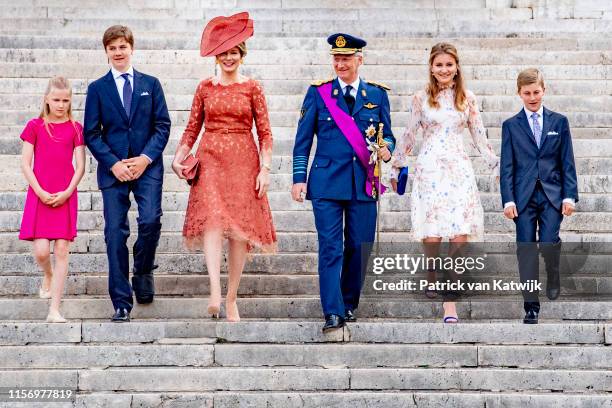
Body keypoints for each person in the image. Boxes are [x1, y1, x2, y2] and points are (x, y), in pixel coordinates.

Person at [172, 12, 277, 322]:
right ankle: (215, 291)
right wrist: (178, 157)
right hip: (211, 161)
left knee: (240, 232)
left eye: (234, 52)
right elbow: (192, 128)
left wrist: (265, 168)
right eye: (223, 53)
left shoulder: (252, 87)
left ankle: (232, 297)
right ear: (216, 56)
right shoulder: (204, 87)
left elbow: (266, 132)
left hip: (244, 161)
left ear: (241, 54)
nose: (229, 57)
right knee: (214, 222)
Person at [291, 33, 395, 332]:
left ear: (359, 59)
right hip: (326, 182)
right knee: (330, 247)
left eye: (346, 58)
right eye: (336, 58)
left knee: (360, 246)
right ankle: (332, 311)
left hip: (363, 181)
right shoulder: (319, 93)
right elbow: (302, 142)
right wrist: (299, 178)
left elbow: (388, 134)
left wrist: (387, 148)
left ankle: (349, 302)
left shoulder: (376, 95)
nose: (340, 63)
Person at [390, 42, 499, 323]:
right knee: (433, 229)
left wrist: (495, 164)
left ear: (457, 67)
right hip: (430, 168)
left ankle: (452, 281)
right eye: (439, 64)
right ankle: (430, 274)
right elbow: (410, 133)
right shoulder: (421, 97)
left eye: (449, 64)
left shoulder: (468, 98)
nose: (444, 69)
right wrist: (397, 163)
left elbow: (479, 135)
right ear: (431, 67)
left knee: (460, 227)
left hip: (458, 167)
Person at [84, 25, 171, 322]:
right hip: (114, 171)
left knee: (150, 220)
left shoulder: (151, 84)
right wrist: (114, 164)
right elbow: (91, 133)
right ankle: (121, 301)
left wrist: (145, 158)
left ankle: (144, 269)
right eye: (112, 48)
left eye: (122, 46)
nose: (118, 52)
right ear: (106, 52)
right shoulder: (97, 89)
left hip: (147, 167)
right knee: (113, 233)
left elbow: (162, 126)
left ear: (132, 48)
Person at [500, 68, 578, 324]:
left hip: (552, 195)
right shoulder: (511, 125)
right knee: (526, 250)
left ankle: (553, 270)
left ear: (544, 90)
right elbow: (507, 166)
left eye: (536, 92)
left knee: (547, 241)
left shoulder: (559, 122)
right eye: (527, 93)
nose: (532, 97)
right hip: (522, 198)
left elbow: (567, 161)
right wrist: (508, 199)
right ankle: (530, 305)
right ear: (519, 93)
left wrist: (569, 196)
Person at [19, 76, 86, 323]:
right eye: (56, 100)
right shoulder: (35, 126)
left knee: (61, 249)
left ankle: (54, 309)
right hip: (39, 193)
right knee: (41, 251)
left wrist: (68, 191)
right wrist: (39, 191)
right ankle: (47, 274)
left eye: (65, 100)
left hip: (65, 194)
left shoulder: (75, 128)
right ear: (47, 99)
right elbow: (26, 164)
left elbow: (80, 165)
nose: (61, 105)